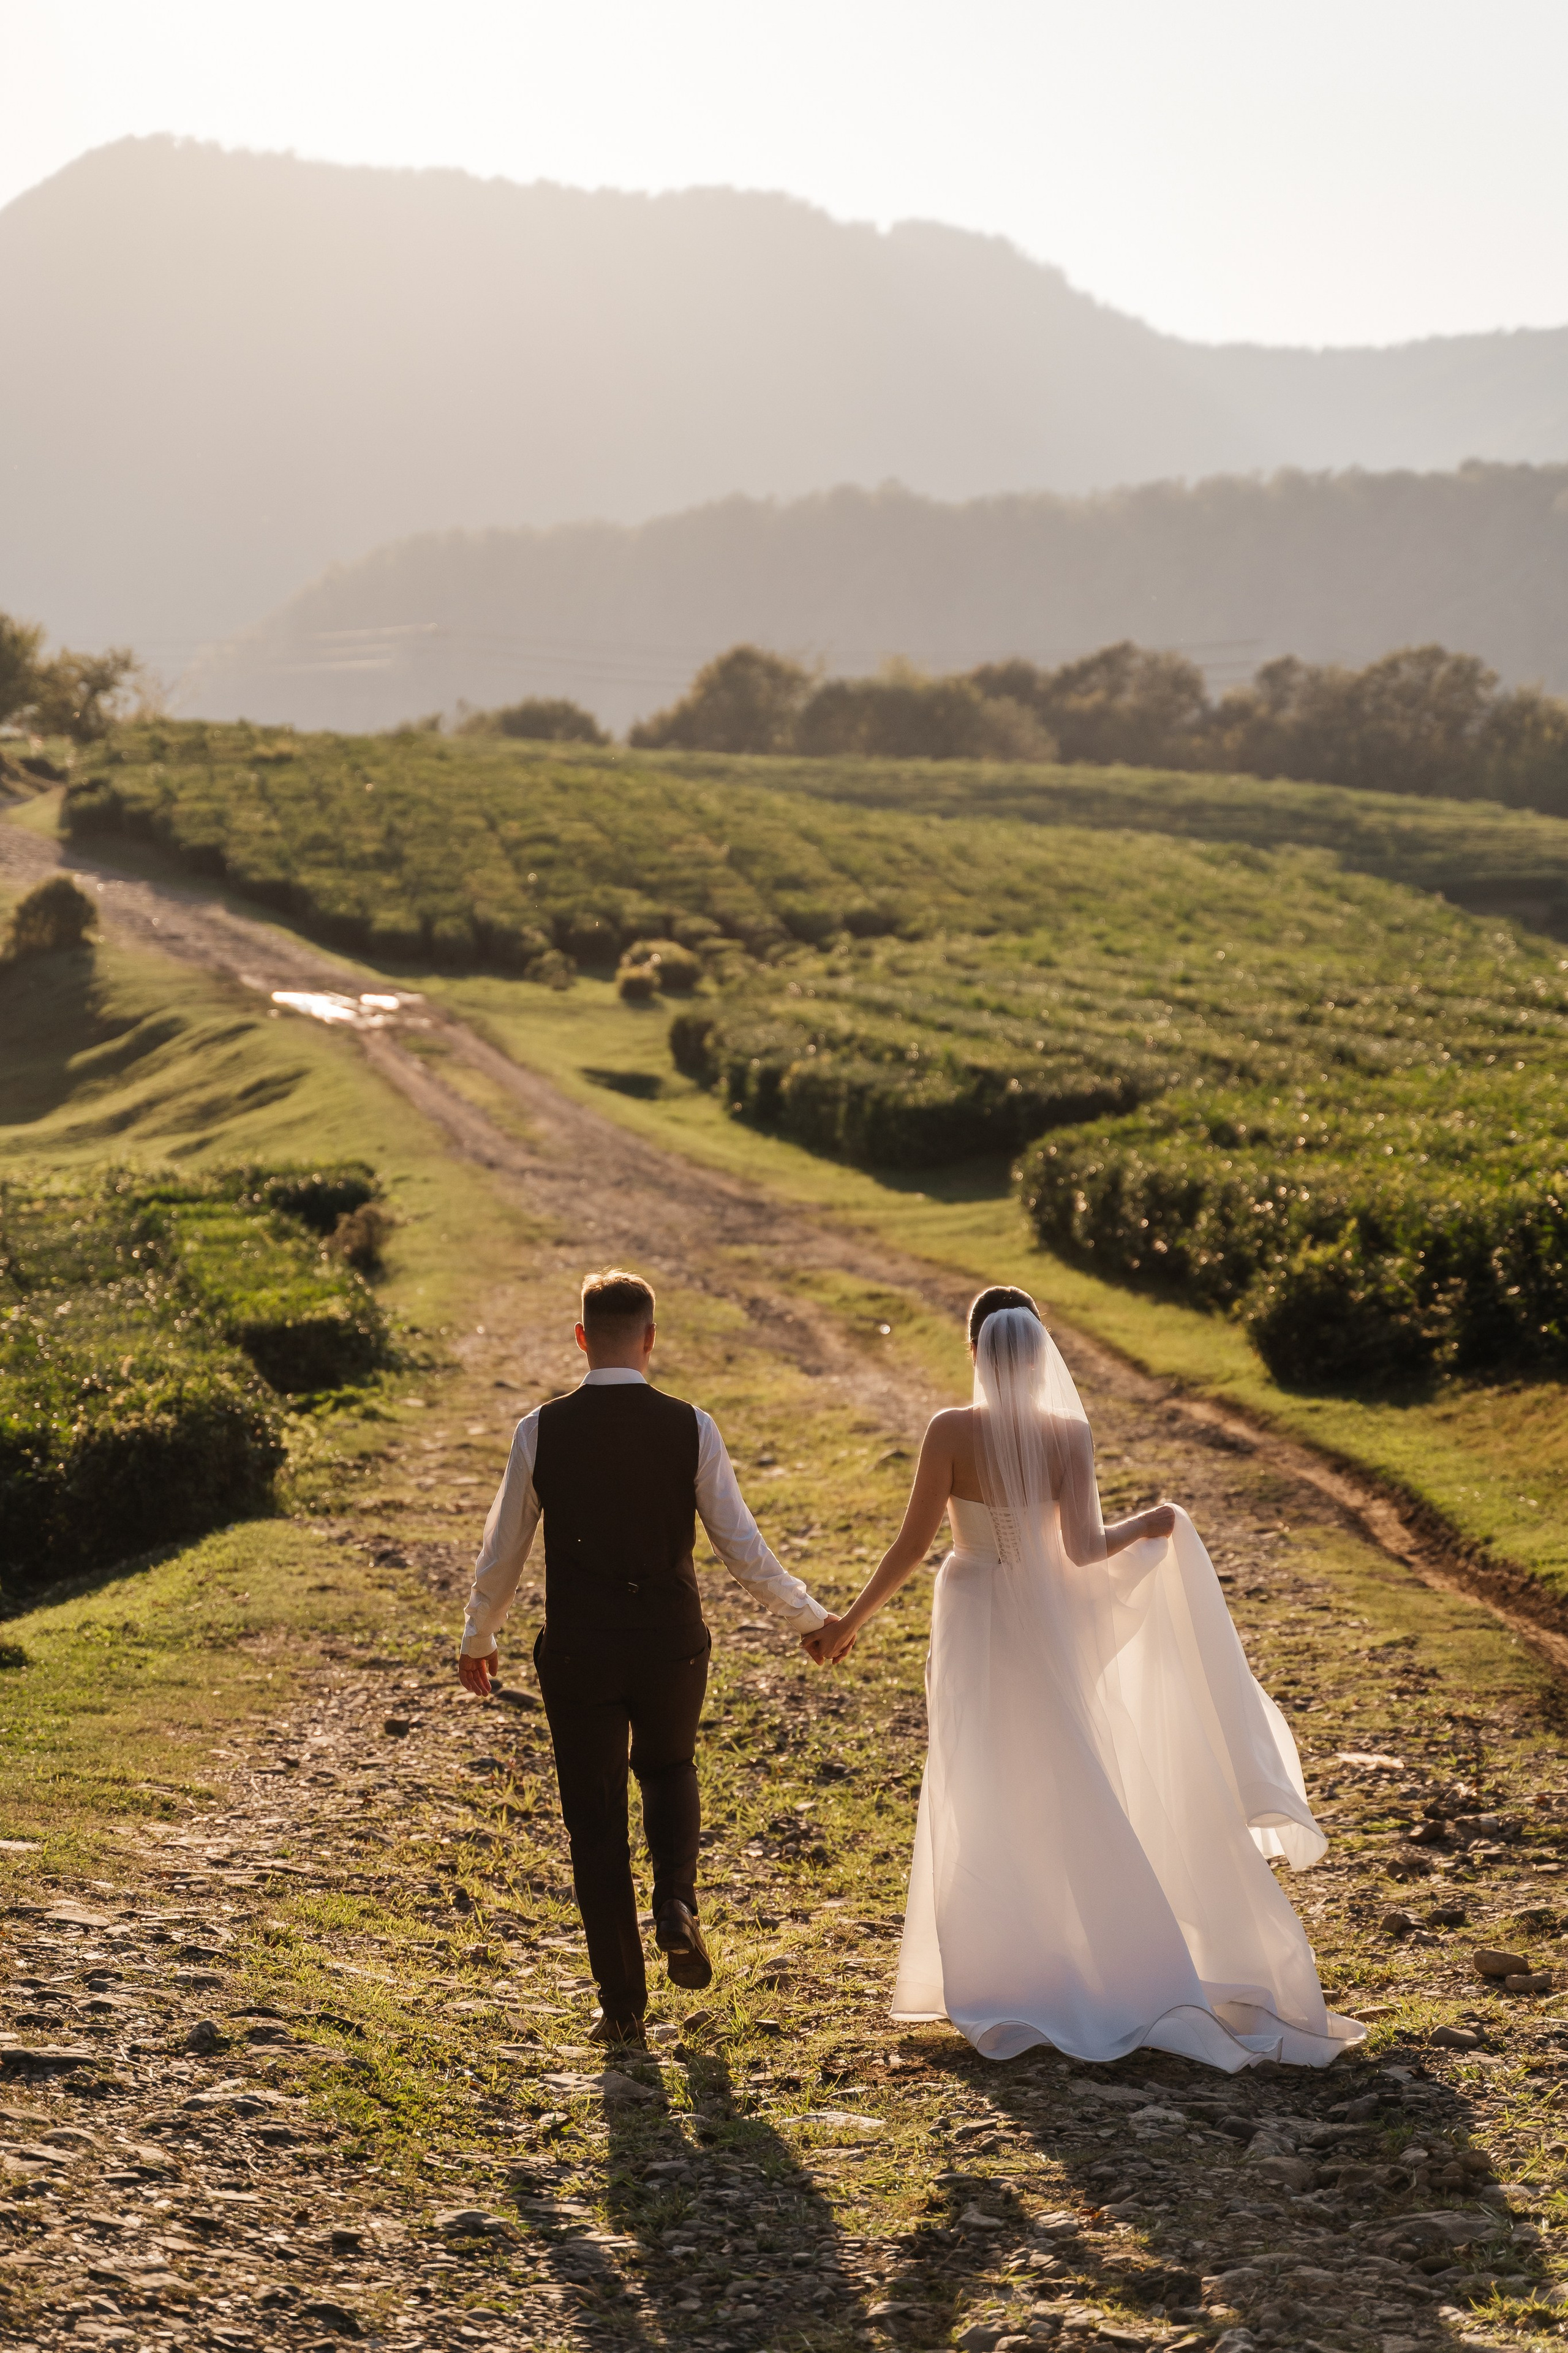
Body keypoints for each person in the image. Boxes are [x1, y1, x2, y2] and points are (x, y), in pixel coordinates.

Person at [820, 1284, 1364, 2072]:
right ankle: (1099, 1953)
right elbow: (1079, 1549)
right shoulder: (1067, 1432)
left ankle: (1000, 1966)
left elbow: (911, 1543)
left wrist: (850, 1620)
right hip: (1038, 1624)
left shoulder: (949, 1430)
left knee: (979, 1782)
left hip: (972, 1609)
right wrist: (1153, 1523)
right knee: (1061, 1775)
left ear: (972, 1352)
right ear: (1041, 1355)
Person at [457, 1267, 840, 2047]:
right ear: (651, 1339)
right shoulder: (691, 1426)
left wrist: (478, 1636)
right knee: (669, 1770)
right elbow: (742, 1547)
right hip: (670, 1644)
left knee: (594, 1820)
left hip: (579, 1652)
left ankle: (622, 2007)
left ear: (580, 1338)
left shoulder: (540, 1430)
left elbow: (503, 1553)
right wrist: (808, 1615)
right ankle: (675, 1901)